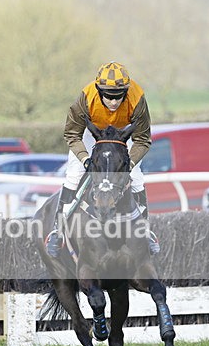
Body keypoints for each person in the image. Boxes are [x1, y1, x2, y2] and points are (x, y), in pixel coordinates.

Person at [45, 61, 157, 257]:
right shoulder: (86, 98)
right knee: (74, 174)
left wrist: (129, 163)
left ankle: (145, 232)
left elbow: (143, 139)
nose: (114, 102)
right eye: (108, 96)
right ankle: (58, 231)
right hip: (91, 135)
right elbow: (72, 134)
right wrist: (85, 158)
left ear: (126, 91)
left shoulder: (137, 98)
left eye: (118, 97)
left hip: (121, 137)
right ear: (98, 90)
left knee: (137, 176)